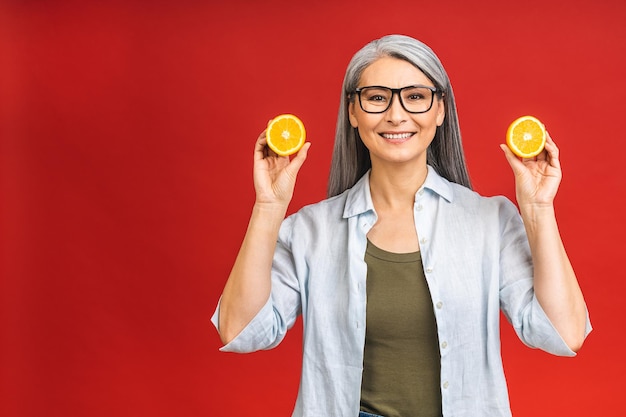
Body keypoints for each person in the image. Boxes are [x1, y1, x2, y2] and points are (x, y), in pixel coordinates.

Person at [211, 34, 591, 417]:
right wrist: (268, 205)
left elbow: (562, 333)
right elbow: (241, 331)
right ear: (353, 112)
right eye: (377, 97)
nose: (396, 114)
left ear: (440, 109)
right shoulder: (311, 230)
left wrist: (539, 208)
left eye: (415, 96)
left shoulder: (490, 221)